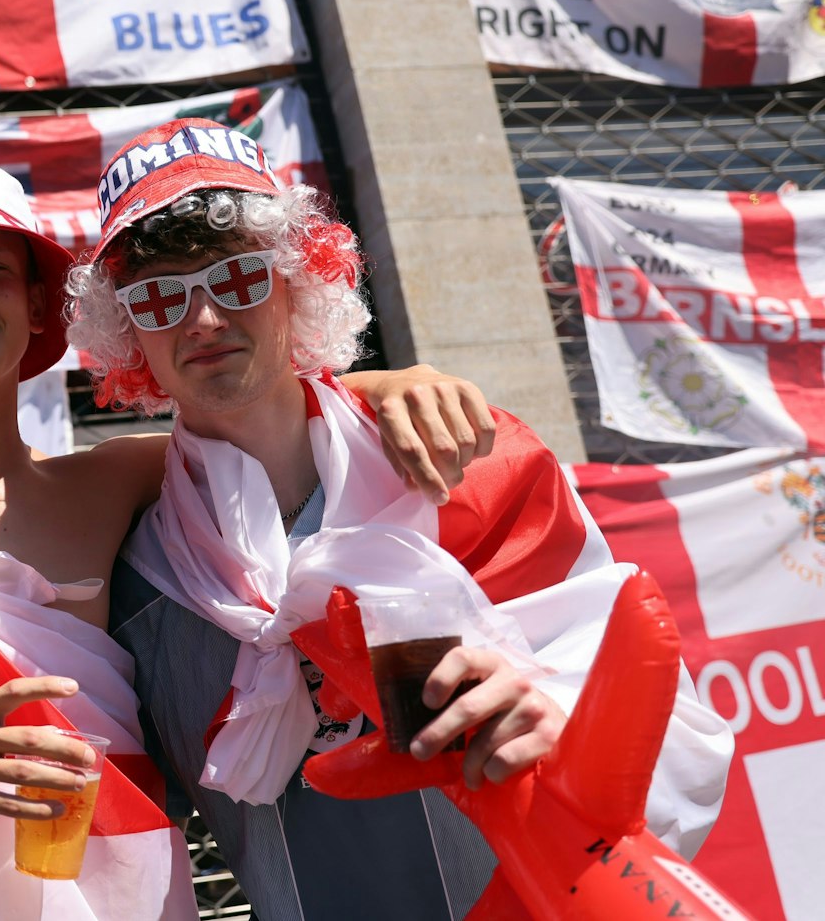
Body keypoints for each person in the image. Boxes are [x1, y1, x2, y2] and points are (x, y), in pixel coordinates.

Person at [0, 166, 492, 919]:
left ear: (37, 306)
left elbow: (262, 411)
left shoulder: (117, 482)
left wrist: (391, 384)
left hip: (111, 895)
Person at [66, 117, 735, 919]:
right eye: (160, 296)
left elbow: (668, 725)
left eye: (237, 279)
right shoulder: (140, 581)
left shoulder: (467, 468)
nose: (203, 320)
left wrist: (552, 715)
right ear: (128, 330)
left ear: (297, 281)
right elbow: (118, 830)